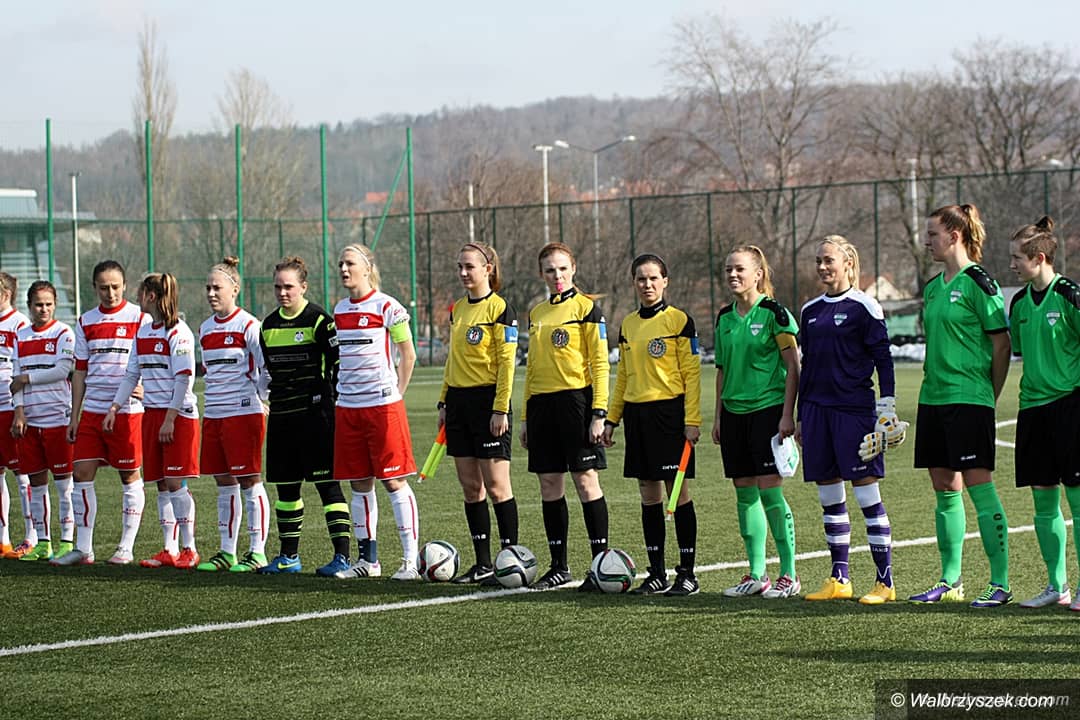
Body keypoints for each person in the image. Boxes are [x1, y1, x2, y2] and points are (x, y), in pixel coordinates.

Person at [910, 204, 1012, 608]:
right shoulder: (933, 287)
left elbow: (1001, 344)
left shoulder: (980, 283)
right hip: (933, 399)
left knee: (979, 487)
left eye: (932, 234)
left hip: (969, 399)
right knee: (944, 489)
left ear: (955, 236)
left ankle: (1000, 583)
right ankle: (950, 580)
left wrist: (989, 394)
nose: (926, 241)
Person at [797, 236, 902, 605]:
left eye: (829, 260)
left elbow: (884, 361)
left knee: (867, 496)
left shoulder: (865, 306)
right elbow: (807, 366)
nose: (823, 267)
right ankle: (839, 578)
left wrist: (886, 408)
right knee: (829, 497)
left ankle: (885, 582)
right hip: (816, 412)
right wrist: (801, 415)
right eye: (818, 261)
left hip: (854, 412)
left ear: (848, 264)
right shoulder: (809, 310)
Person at [602, 254, 702, 596]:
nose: (647, 284)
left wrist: (692, 420)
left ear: (665, 281)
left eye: (653, 278)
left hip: (670, 415)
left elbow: (691, 374)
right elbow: (623, 376)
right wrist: (612, 419)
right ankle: (657, 572)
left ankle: (687, 573)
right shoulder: (628, 325)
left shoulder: (680, 321)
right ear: (634, 283)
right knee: (648, 493)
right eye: (641, 279)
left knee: (678, 491)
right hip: (637, 416)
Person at [712, 245, 801, 599]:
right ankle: (757, 574)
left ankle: (789, 574)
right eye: (728, 269)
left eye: (740, 269)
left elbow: (793, 366)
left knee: (770, 492)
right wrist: (718, 416)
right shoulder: (724, 318)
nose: (733, 275)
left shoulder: (775, 313)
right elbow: (721, 371)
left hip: (768, 411)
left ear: (758, 274)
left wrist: (787, 414)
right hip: (734, 415)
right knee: (744, 493)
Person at [521, 242, 610, 591]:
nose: (556, 276)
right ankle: (559, 566)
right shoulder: (537, 313)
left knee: (585, 481)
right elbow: (531, 368)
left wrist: (598, 413)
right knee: (549, 483)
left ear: (573, 268)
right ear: (541, 274)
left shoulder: (588, 309)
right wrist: (526, 416)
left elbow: (600, 364)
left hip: (577, 403)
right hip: (541, 406)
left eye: (562, 268)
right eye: (549, 270)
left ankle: (600, 566)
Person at [331, 244, 422, 581]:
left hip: (382, 407)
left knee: (394, 481)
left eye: (350, 263)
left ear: (367, 268)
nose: (344, 269)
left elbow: (407, 354)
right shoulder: (340, 309)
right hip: (348, 407)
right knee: (359, 483)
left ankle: (410, 561)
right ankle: (367, 561)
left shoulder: (387, 306)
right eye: (340, 263)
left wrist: (396, 395)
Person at [257, 255, 352, 576]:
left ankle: (342, 557)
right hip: (282, 418)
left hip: (316, 419)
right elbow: (269, 371)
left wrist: (330, 405)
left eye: (289, 287)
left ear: (303, 287)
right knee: (286, 490)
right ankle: (288, 557)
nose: (283, 293)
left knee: (328, 486)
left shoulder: (320, 321)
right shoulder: (268, 326)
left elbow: (338, 368)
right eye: (278, 287)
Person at [52, 261, 151, 566]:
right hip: (93, 411)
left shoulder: (140, 318)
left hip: (127, 411)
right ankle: (83, 548)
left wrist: (146, 386)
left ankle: (126, 547)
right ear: (94, 287)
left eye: (115, 287)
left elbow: (154, 358)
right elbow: (80, 372)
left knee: (129, 475)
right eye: (104, 287)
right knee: (81, 473)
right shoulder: (86, 321)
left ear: (125, 285)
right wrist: (75, 416)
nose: (110, 293)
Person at [1006, 216, 1080, 610]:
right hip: (1032, 410)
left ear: (1039, 258)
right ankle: (1057, 585)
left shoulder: (1070, 295)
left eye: (1017, 258)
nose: (1012, 265)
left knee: (1078, 501)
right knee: (1043, 501)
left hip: (1070, 406)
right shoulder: (1019, 303)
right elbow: (1020, 350)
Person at [105, 273, 201, 569]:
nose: (136, 296)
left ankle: (189, 548)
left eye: (140, 292)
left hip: (178, 415)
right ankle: (169, 549)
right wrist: (114, 407)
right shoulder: (144, 332)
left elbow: (184, 379)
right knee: (160, 482)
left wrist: (170, 418)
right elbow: (132, 374)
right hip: (152, 413)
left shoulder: (179, 332)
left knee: (174, 481)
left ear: (150, 296)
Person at [438, 241, 519, 585]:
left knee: (497, 487)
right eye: (459, 266)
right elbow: (453, 360)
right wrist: (444, 402)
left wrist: (500, 408)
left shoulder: (501, 309)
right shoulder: (457, 309)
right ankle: (483, 563)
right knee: (471, 488)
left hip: (489, 403)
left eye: (469, 266)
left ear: (488, 269)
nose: (463, 273)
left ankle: (511, 560)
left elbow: (506, 364)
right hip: (459, 404)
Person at [195, 256, 271, 573]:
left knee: (249, 480)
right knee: (224, 482)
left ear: (235, 289)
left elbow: (266, 368)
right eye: (208, 288)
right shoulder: (204, 329)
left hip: (243, 413)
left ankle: (257, 552)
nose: (211, 293)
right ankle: (227, 552)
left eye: (218, 287)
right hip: (214, 414)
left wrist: (262, 399)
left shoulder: (249, 325)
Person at [10, 281, 76, 562]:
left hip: (57, 418)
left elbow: (62, 370)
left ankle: (67, 541)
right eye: (38, 304)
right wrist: (19, 411)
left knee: (64, 485)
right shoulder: (21, 336)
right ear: (29, 306)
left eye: (49, 304)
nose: (44, 309)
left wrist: (27, 378)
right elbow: (14, 378)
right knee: (36, 484)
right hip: (31, 421)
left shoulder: (63, 333)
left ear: (55, 304)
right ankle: (43, 542)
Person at [0, 272, 33, 559]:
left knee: (23, 474)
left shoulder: (19, 324)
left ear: (5, 294)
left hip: (10, 408)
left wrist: (18, 409)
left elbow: (21, 369)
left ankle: (32, 536)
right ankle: (3, 540)